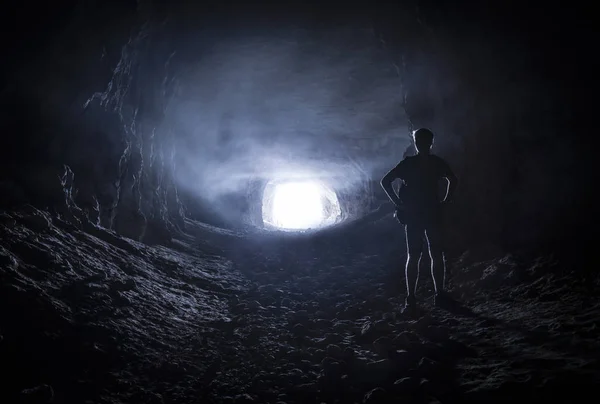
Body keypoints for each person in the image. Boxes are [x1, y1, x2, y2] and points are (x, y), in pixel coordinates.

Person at [380, 128, 458, 312]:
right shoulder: (437, 163)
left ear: (416, 142)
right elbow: (453, 180)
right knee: (436, 254)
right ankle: (438, 294)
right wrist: (446, 200)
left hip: (414, 214)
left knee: (414, 256)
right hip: (432, 212)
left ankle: (411, 299)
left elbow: (386, 181)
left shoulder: (409, 164)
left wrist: (398, 203)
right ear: (431, 143)